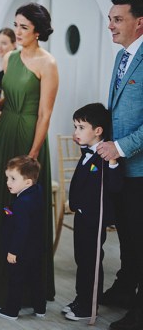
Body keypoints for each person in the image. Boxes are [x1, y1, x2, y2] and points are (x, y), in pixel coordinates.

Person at [0, 2, 58, 306]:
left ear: (38, 30)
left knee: (25, 214)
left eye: (24, 26)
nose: (18, 31)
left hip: (28, 137)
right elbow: (5, 99)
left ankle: (26, 291)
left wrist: (32, 156)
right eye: (17, 25)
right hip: (6, 130)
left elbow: (46, 114)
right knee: (2, 205)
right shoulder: (10, 57)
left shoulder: (48, 63)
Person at [97, 0, 143, 330]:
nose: (110, 25)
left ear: (139, 22)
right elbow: (117, 110)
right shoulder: (122, 57)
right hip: (123, 168)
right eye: (110, 18)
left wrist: (121, 147)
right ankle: (126, 289)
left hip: (140, 167)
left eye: (117, 19)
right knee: (127, 235)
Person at [65, 103, 123, 321]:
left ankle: (89, 306)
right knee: (82, 260)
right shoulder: (89, 152)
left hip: (94, 218)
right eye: (75, 127)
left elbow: (115, 186)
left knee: (91, 262)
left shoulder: (106, 157)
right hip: (81, 215)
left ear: (98, 131)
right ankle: (82, 298)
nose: (76, 132)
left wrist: (114, 162)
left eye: (81, 127)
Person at [0, 155, 46, 321]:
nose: (8, 183)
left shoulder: (21, 203)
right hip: (36, 248)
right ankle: (40, 308)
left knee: (15, 280)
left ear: (27, 182)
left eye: (13, 179)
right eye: (7, 178)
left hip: (21, 250)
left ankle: (11, 310)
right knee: (36, 278)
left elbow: (21, 229)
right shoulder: (37, 191)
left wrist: (13, 251)